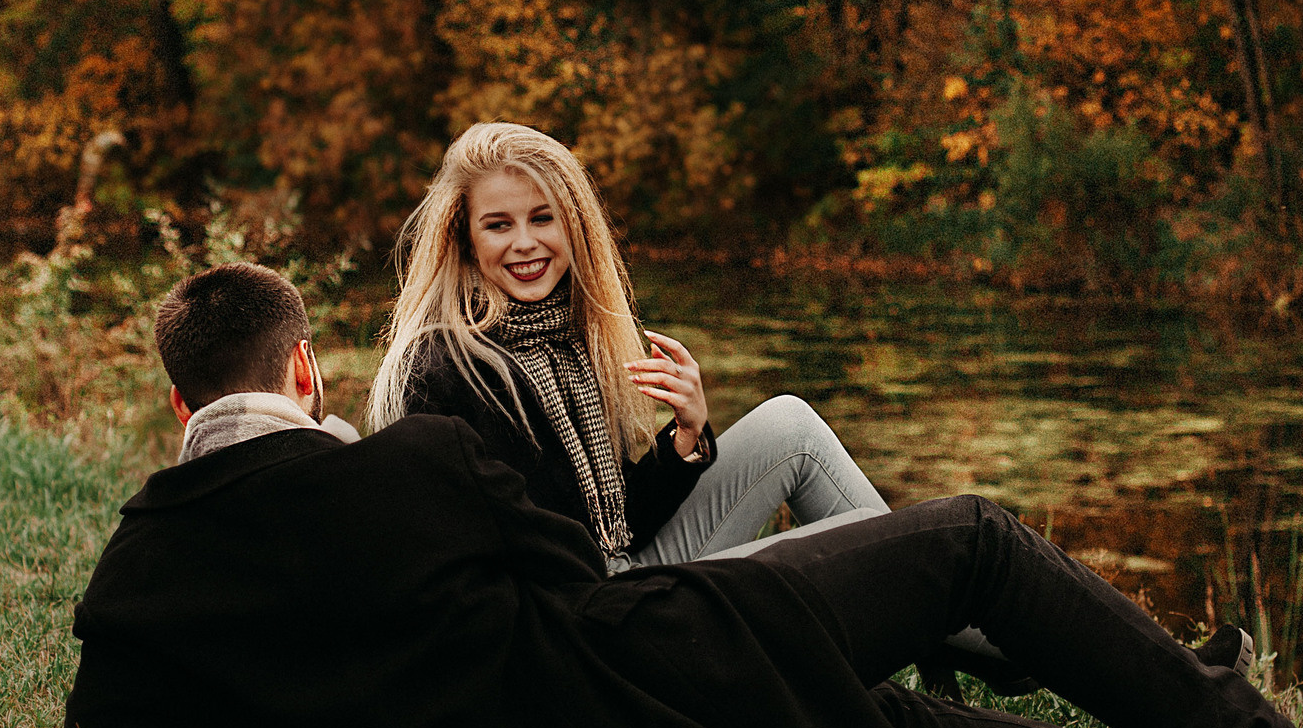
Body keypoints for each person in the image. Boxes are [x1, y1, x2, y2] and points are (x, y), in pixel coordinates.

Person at [61, 263, 1303, 728]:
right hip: (648, 682)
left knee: (865, 710)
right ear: (304, 370)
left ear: (180, 404)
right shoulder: (418, 466)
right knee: (970, 540)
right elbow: (570, 582)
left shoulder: (139, 573)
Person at [365, 121, 901, 569]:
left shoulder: (564, 343)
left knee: (791, 425)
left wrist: (685, 434)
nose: (525, 242)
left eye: (543, 217)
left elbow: (625, 524)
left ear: (575, 227)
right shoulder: (440, 368)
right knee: (869, 558)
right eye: (499, 225)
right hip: (589, 620)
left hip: (621, 574)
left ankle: (936, 596)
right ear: (465, 238)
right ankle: (939, 601)